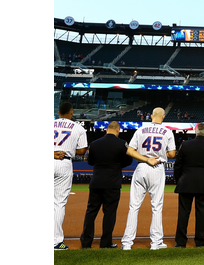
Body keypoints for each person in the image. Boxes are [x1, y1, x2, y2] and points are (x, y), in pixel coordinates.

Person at [80, 121, 159, 249]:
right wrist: (116, 165)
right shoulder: (122, 144)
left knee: (91, 212)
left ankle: (86, 242)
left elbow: (90, 161)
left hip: (96, 181)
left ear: (106, 129)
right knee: (109, 213)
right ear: (118, 130)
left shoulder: (94, 143)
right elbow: (128, 160)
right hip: (112, 182)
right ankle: (105, 243)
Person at [121, 107, 177, 250]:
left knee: (134, 206)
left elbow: (130, 151)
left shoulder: (140, 130)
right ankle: (156, 243)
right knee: (156, 207)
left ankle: (127, 243)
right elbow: (172, 154)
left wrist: (146, 159)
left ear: (151, 116)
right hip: (157, 168)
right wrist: (160, 154)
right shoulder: (168, 131)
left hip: (141, 167)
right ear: (163, 117)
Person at [173, 122, 204, 247]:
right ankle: (200, 240)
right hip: (203, 183)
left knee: (183, 213)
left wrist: (179, 180)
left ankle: (180, 242)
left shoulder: (185, 145)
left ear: (196, 132)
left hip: (185, 182)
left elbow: (177, 165)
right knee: (201, 213)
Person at [54, 102, 88, 250]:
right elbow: (81, 151)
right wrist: (68, 149)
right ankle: (55, 241)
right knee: (58, 203)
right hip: (64, 163)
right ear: (72, 112)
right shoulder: (78, 128)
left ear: (59, 112)